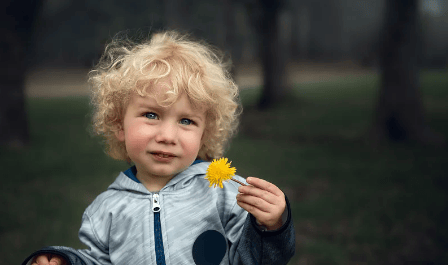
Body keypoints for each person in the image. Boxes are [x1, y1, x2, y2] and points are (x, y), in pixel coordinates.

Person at [22, 31, 295, 265]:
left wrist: (270, 227)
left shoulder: (224, 194)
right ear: (119, 124)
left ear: (204, 133)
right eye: (151, 115)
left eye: (186, 120)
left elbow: (254, 259)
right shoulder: (105, 210)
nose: (167, 135)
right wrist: (66, 260)